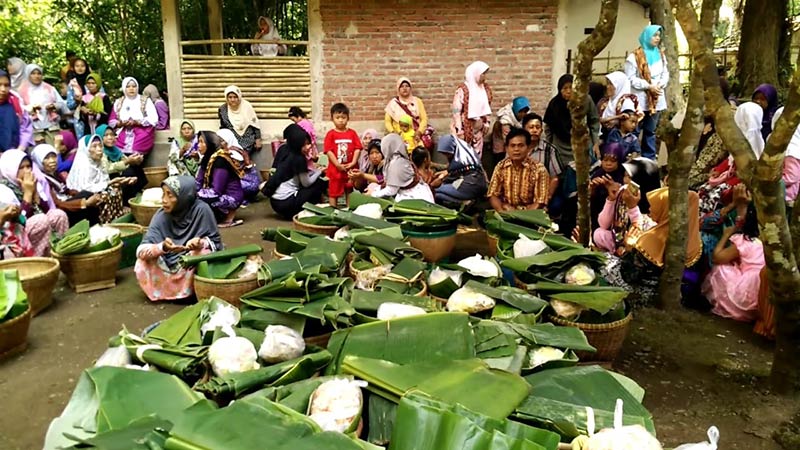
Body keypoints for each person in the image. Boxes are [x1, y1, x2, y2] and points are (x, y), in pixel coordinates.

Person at [601, 187, 702, 308]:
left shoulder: (654, 239)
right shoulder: (694, 240)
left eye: (656, 205)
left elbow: (629, 275)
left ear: (668, 208)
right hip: (666, 294)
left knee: (601, 261)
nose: (649, 209)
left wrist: (628, 248)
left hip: (641, 294)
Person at [135, 175, 222, 302]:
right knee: (142, 262)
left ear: (184, 197)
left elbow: (216, 245)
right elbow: (141, 250)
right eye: (163, 194)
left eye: (170, 195)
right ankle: (166, 292)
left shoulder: (201, 211)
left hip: (190, 261)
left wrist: (199, 243)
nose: (164, 200)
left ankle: (192, 291)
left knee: (202, 254)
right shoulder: (161, 216)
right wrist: (162, 247)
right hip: (167, 263)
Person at [702, 202, 764, 321]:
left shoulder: (745, 241)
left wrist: (726, 235)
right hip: (761, 285)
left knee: (721, 268)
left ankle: (728, 306)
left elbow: (717, 257)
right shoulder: (767, 241)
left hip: (748, 288)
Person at [0, 149, 68, 256]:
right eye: (21, 168)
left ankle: (61, 254)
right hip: (15, 235)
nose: (27, 171)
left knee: (58, 215)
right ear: (10, 169)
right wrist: (27, 194)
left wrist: (35, 193)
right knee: (40, 220)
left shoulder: (33, 183)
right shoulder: (4, 190)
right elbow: (19, 222)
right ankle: (38, 261)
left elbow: (46, 210)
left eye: (28, 166)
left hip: (35, 229)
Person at [593, 156, 661, 255]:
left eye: (630, 177)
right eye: (625, 176)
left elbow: (640, 231)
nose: (625, 181)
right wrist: (611, 200)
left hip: (640, 243)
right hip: (620, 238)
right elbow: (603, 224)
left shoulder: (656, 201)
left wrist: (632, 207)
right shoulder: (623, 191)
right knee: (599, 233)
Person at [262, 124, 326, 219]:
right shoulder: (299, 158)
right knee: (319, 184)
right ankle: (312, 210)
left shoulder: (286, 151)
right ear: (297, 144)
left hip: (275, 202)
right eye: (305, 144)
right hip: (286, 203)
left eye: (309, 143)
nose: (308, 147)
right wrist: (319, 172)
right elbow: (306, 183)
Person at [625, 25, 669, 160]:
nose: (657, 38)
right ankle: (632, 156)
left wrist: (659, 85)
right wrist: (648, 86)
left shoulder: (660, 55)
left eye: (658, 35)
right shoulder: (634, 57)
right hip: (640, 99)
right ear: (646, 36)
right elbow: (631, 78)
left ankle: (649, 159)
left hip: (656, 98)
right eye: (654, 35)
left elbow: (665, 73)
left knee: (651, 130)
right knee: (635, 129)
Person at [66, 134, 133, 223]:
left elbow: (105, 180)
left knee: (115, 190)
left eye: (100, 146)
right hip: (83, 196)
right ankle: (103, 221)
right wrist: (108, 184)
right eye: (94, 146)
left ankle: (116, 214)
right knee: (104, 196)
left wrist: (118, 183)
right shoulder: (83, 165)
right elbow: (85, 189)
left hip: (99, 190)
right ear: (86, 150)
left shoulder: (98, 163)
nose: (99, 149)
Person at [31, 144, 104, 225]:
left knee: (88, 194)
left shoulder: (55, 174)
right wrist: (84, 203)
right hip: (58, 212)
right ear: (38, 160)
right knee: (87, 200)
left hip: (65, 203)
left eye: (54, 157)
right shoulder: (42, 180)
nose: (52, 160)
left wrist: (80, 194)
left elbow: (66, 190)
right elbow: (57, 204)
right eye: (47, 158)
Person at [544, 74, 601, 164]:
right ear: (560, 90)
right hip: (560, 148)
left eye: (571, 87)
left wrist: (595, 143)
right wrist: (549, 146)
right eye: (564, 88)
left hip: (581, 145)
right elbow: (548, 128)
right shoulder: (554, 104)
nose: (568, 91)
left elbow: (594, 121)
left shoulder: (585, 100)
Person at [488, 128, 549, 211]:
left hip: (531, 214)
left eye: (520, 145)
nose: (516, 149)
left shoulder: (539, 169)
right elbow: (493, 194)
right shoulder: (501, 166)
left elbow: (540, 201)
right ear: (506, 148)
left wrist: (521, 216)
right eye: (512, 146)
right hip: (507, 211)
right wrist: (502, 212)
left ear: (528, 147)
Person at [195, 131, 244, 227]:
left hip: (231, 196)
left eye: (202, 142)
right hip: (214, 193)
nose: (198, 145)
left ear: (210, 143)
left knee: (196, 200)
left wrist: (196, 195)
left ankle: (227, 215)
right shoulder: (207, 158)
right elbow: (198, 181)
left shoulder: (220, 160)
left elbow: (217, 190)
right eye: (198, 142)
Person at [369, 134, 434, 202]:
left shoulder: (397, 163)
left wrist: (373, 194)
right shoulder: (394, 161)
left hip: (416, 198)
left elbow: (392, 190)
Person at [17, 64, 67, 145]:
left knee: (53, 151)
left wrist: (54, 106)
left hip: (51, 127)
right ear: (28, 74)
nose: (36, 76)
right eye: (33, 73)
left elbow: (62, 104)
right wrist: (31, 108)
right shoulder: (22, 90)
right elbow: (19, 109)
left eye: (39, 73)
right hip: (33, 129)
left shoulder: (49, 88)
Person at [451, 61, 492, 158]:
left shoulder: (484, 89)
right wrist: (459, 129)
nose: (484, 77)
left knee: (477, 156)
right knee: (464, 155)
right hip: (464, 129)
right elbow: (456, 111)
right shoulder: (463, 90)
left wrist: (487, 123)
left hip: (478, 130)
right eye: (483, 74)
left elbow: (487, 107)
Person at [324, 103, 362, 207]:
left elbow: (357, 148)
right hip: (335, 170)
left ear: (348, 118)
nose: (341, 120)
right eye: (337, 117)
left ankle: (349, 209)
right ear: (332, 118)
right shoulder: (330, 134)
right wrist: (337, 165)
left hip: (350, 169)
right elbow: (329, 151)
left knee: (349, 189)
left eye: (343, 117)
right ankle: (332, 211)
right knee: (333, 192)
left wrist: (353, 162)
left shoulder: (352, 133)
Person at [434, 134, 487, 208]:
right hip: (476, 182)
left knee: (436, 192)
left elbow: (452, 174)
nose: (445, 156)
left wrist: (436, 182)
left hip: (471, 185)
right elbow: (450, 169)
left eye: (446, 154)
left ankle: (464, 201)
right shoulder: (464, 153)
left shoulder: (460, 161)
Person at [96, 124, 147, 201]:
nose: (110, 138)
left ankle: (137, 191)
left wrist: (136, 160)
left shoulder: (115, 150)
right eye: (106, 135)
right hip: (107, 178)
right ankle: (125, 199)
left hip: (118, 173)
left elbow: (126, 160)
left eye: (112, 135)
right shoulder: (100, 151)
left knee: (136, 168)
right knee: (128, 172)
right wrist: (127, 162)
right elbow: (107, 169)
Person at [109, 77, 158, 155]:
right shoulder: (118, 102)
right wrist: (121, 123)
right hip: (122, 133)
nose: (131, 89)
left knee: (136, 155)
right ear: (124, 88)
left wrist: (137, 122)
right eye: (128, 86)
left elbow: (154, 119)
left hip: (142, 133)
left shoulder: (145, 100)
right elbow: (111, 121)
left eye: (134, 86)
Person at [524, 112, 563, 203]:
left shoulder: (550, 150)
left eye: (537, 127)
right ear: (524, 130)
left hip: (543, 193)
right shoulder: (517, 147)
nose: (534, 130)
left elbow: (555, 178)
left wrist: (546, 198)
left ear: (541, 130)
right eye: (531, 127)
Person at [589, 142, 627, 232]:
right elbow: (589, 197)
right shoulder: (598, 174)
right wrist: (592, 188)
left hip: (616, 215)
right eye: (605, 160)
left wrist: (615, 188)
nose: (608, 164)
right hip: (598, 212)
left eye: (613, 161)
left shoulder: (624, 175)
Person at [385, 77, 431, 148]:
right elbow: (387, 122)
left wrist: (419, 132)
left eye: (407, 86)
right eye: (402, 86)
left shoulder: (417, 101)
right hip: (400, 136)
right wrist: (394, 133)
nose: (404, 88)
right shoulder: (393, 103)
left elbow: (424, 119)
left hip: (415, 135)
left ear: (410, 88)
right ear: (398, 89)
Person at [216, 128, 260, 200]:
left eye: (222, 141)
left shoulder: (232, 154)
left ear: (228, 140)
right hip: (251, 185)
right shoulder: (238, 149)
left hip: (247, 185)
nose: (219, 144)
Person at [218, 85, 262, 154]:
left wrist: (258, 139)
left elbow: (255, 124)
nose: (232, 100)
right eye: (230, 97)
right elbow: (223, 127)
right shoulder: (223, 109)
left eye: (235, 97)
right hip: (232, 139)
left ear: (239, 97)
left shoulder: (246, 106)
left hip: (247, 138)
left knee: (240, 156)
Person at [772, 107, 800, 211]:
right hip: (785, 196)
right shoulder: (793, 148)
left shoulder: (792, 149)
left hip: (786, 197)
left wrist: (771, 182)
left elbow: (792, 176)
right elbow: (792, 176)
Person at [0, 70, 33, 152]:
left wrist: (20, 149)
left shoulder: (16, 103)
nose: (3, 89)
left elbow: (25, 127)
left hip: (16, 153)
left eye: (6, 85)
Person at [492, 96, 531, 163]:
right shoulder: (505, 119)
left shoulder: (526, 115)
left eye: (525, 112)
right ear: (516, 110)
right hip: (501, 139)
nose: (523, 114)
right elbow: (506, 139)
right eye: (520, 112)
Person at [72, 72, 111, 138]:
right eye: (88, 83)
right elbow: (81, 117)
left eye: (93, 83)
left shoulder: (104, 97)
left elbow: (108, 113)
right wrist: (84, 112)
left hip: (101, 127)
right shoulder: (84, 98)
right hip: (88, 128)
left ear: (98, 84)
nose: (91, 85)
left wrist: (96, 114)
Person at [0, 183, 33, 259]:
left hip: (13, 236)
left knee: (16, 228)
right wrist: (2, 218)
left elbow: (22, 219)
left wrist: (16, 214)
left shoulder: (3, 190)